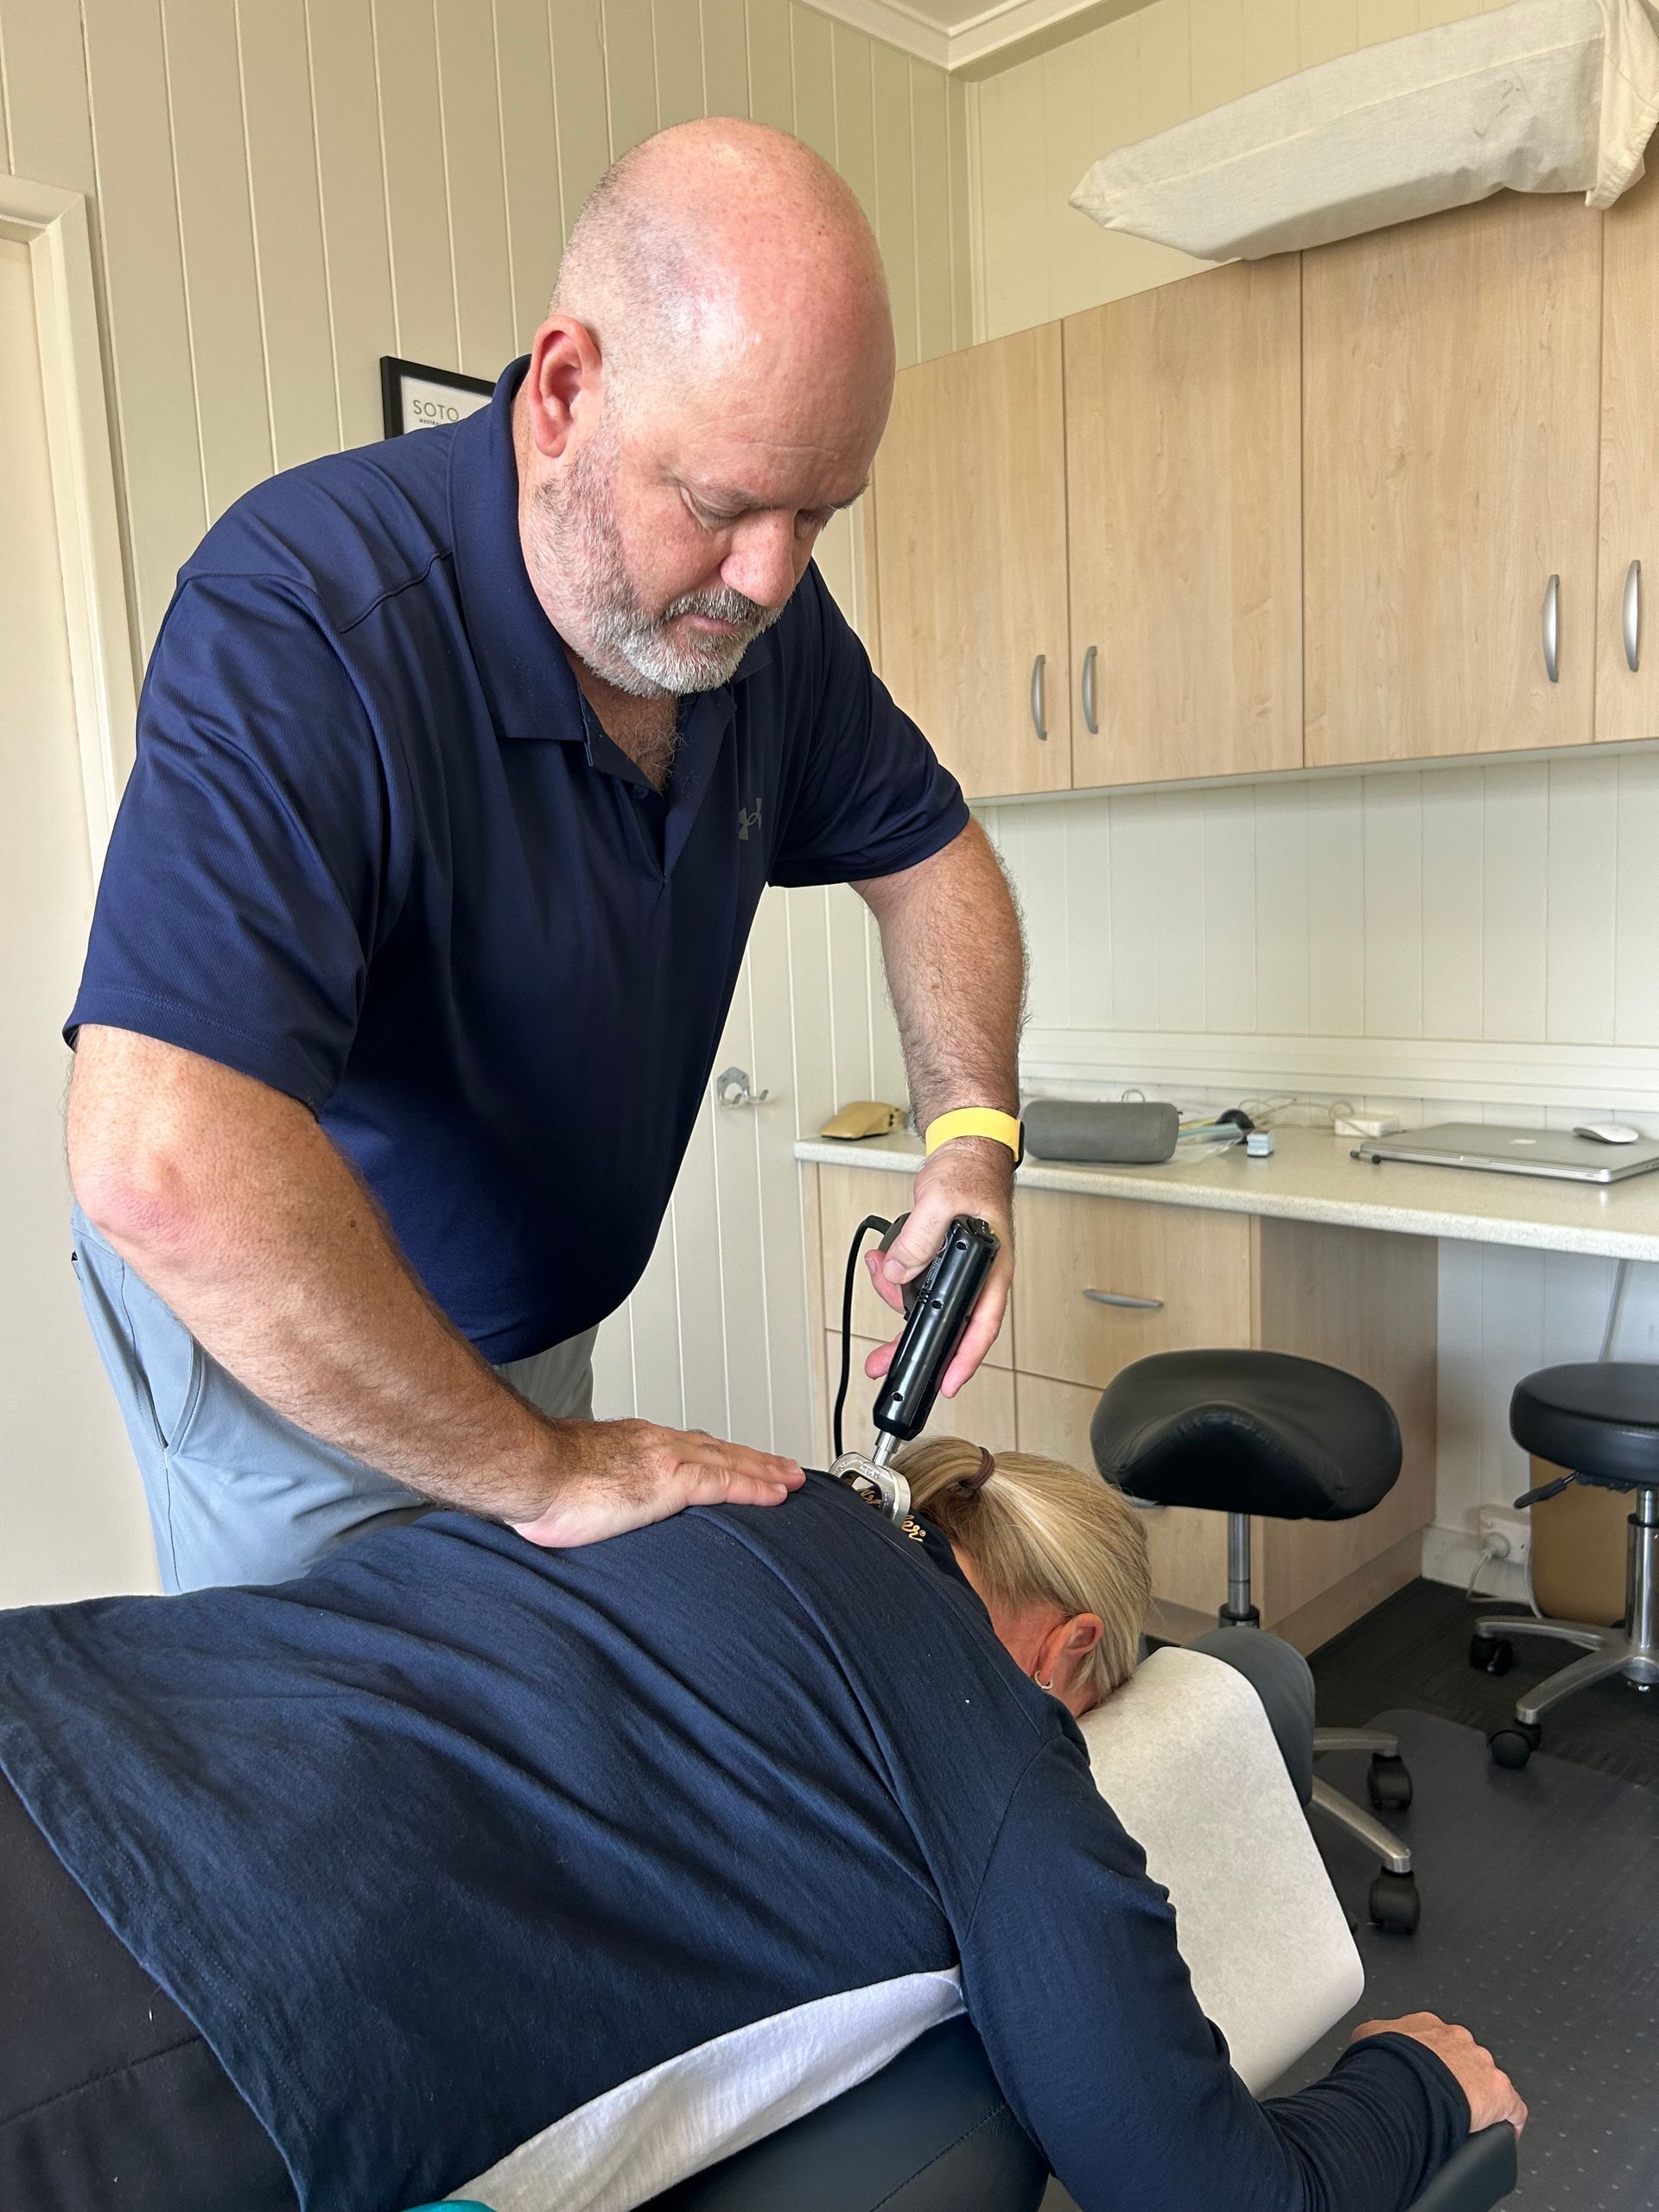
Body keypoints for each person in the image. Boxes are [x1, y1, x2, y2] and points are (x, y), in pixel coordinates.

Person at [61, 117, 1026, 1594]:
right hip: (298, 1366)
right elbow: (161, 1161)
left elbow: (933, 855)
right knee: (352, 1786)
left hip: (532, 1340)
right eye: (721, 504)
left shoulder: (762, 632)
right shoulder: (305, 615)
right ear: (566, 391)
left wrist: (973, 1146)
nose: (769, 576)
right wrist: (546, 1468)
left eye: (818, 514)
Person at [0, 1441, 1522, 2212]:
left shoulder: (708, 1489)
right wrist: (1414, 2088)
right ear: (1068, 1657)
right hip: (170, 2012)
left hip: (66, 1687)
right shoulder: (996, 1745)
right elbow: (1201, 2195)